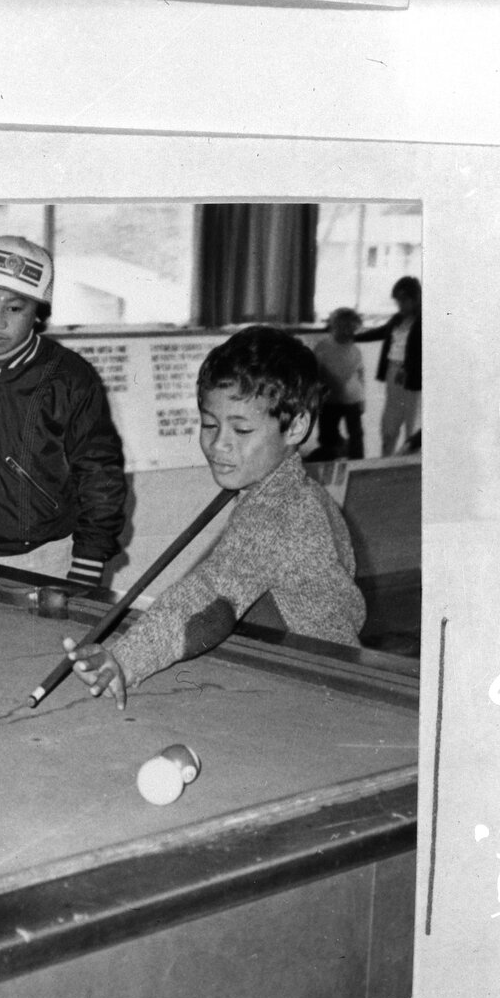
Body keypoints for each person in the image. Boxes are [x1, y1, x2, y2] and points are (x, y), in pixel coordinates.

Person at [64, 326, 365, 707]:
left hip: (321, 685)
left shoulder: (278, 510)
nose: (219, 443)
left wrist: (125, 660)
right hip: (317, 670)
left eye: (241, 429)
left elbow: (211, 600)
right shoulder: (299, 493)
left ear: (297, 426)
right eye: (209, 424)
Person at [0, 236, 128, 587]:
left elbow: (100, 475)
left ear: (38, 314)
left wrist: (88, 562)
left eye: (14, 308)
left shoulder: (71, 378)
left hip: (47, 559)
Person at [353, 275, 422, 457]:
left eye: (403, 300)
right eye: (397, 300)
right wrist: (352, 337)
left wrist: (408, 369)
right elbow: (380, 332)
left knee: (412, 422)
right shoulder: (397, 319)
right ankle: (386, 458)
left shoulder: (425, 320)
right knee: (389, 423)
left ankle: (411, 465)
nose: (399, 305)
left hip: (414, 379)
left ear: (415, 298)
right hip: (393, 372)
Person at [309, 307, 367, 461]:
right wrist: (315, 397)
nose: (350, 333)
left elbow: (360, 375)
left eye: (353, 329)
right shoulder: (323, 347)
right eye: (346, 328)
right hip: (329, 400)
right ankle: (333, 457)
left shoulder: (355, 349)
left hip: (352, 400)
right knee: (327, 437)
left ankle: (357, 464)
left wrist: (362, 400)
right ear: (335, 326)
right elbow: (315, 374)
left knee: (356, 435)